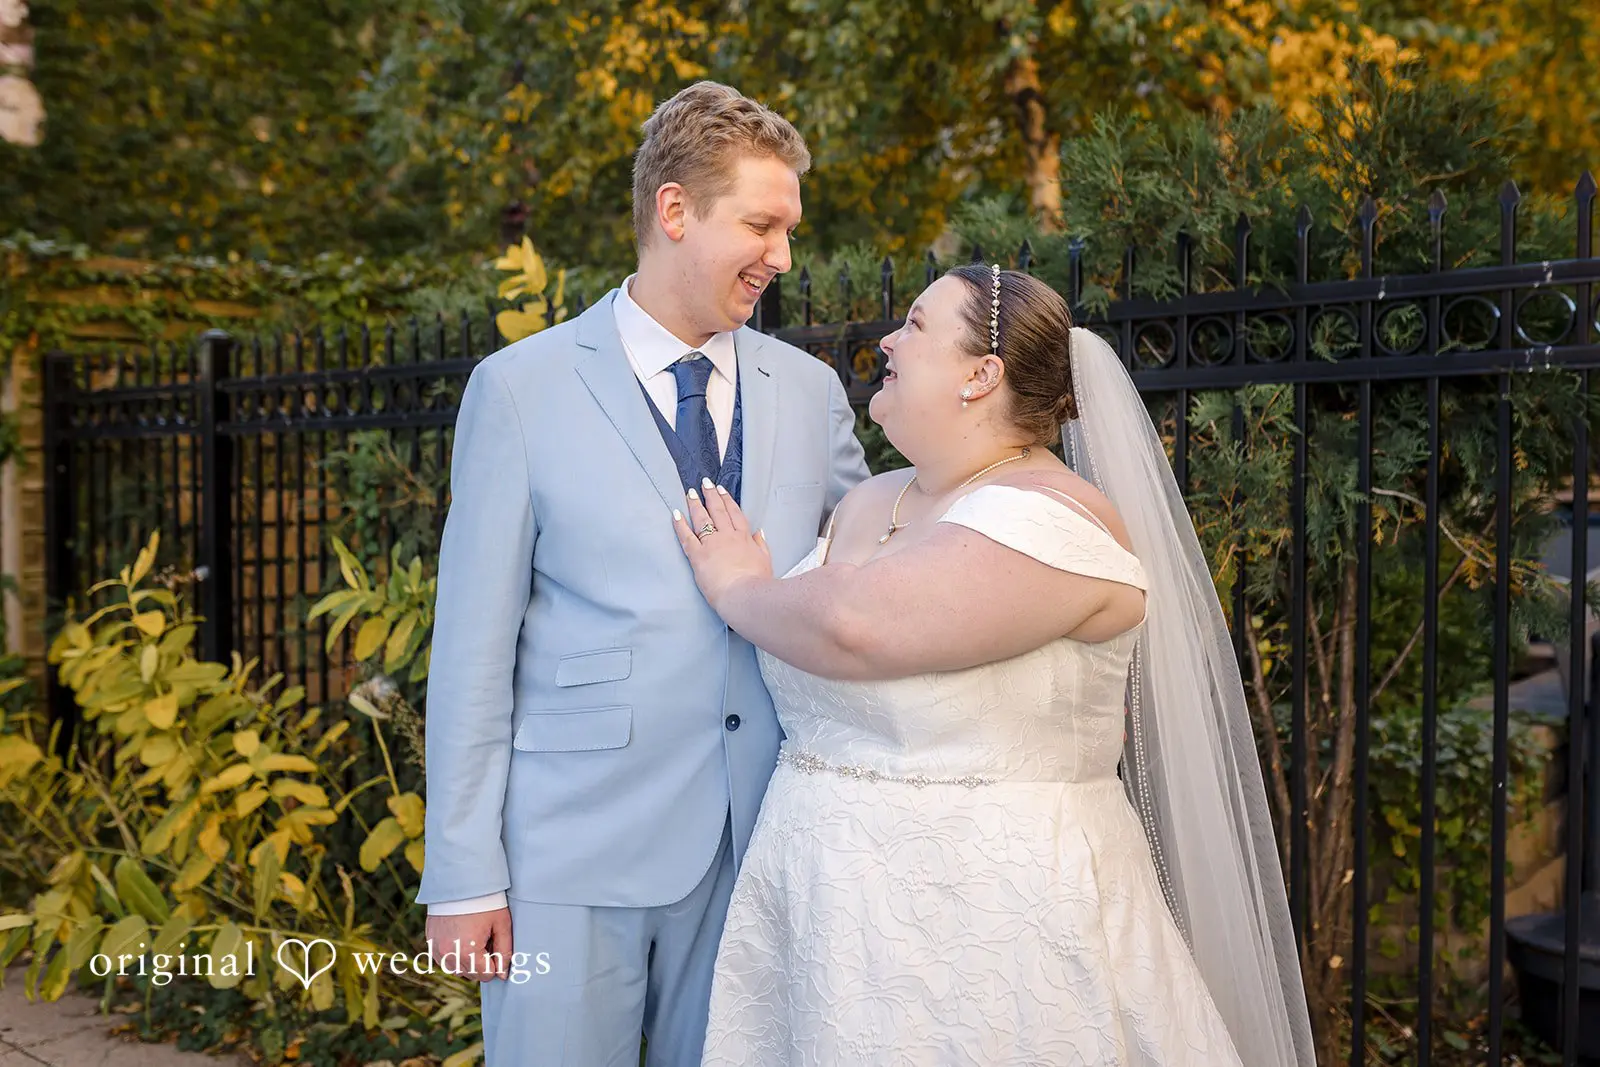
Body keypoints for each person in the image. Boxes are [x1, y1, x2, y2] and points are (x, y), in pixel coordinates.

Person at [672, 265, 1317, 1065]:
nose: (887, 340)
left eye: (913, 325)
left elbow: (854, 625)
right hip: (823, 918)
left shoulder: (1057, 517)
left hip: (987, 928)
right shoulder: (874, 500)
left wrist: (739, 585)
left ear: (982, 374)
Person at [416, 81, 870, 1067]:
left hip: (761, 843)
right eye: (761, 224)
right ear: (674, 210)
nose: (781, 257)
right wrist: (461, 874)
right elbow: (469, 654)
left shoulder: (808, 388)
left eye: (788, 230)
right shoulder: (519, 389)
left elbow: (862, 579)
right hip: (566, 854)